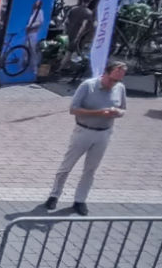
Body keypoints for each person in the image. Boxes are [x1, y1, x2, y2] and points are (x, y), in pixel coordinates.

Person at [43, 61, 127, 216]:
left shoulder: (120, 88)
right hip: (83, 131)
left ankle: (80, 200)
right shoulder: (88, 86)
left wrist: (117, 113)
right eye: (112, 79)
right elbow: (73, 109)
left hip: (104, 133)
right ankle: (54, 195)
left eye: (118, 80)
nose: (114, 83)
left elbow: (123, 109)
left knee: (91, 169)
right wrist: (98, 113)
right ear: (105, 73)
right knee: (66, 166)